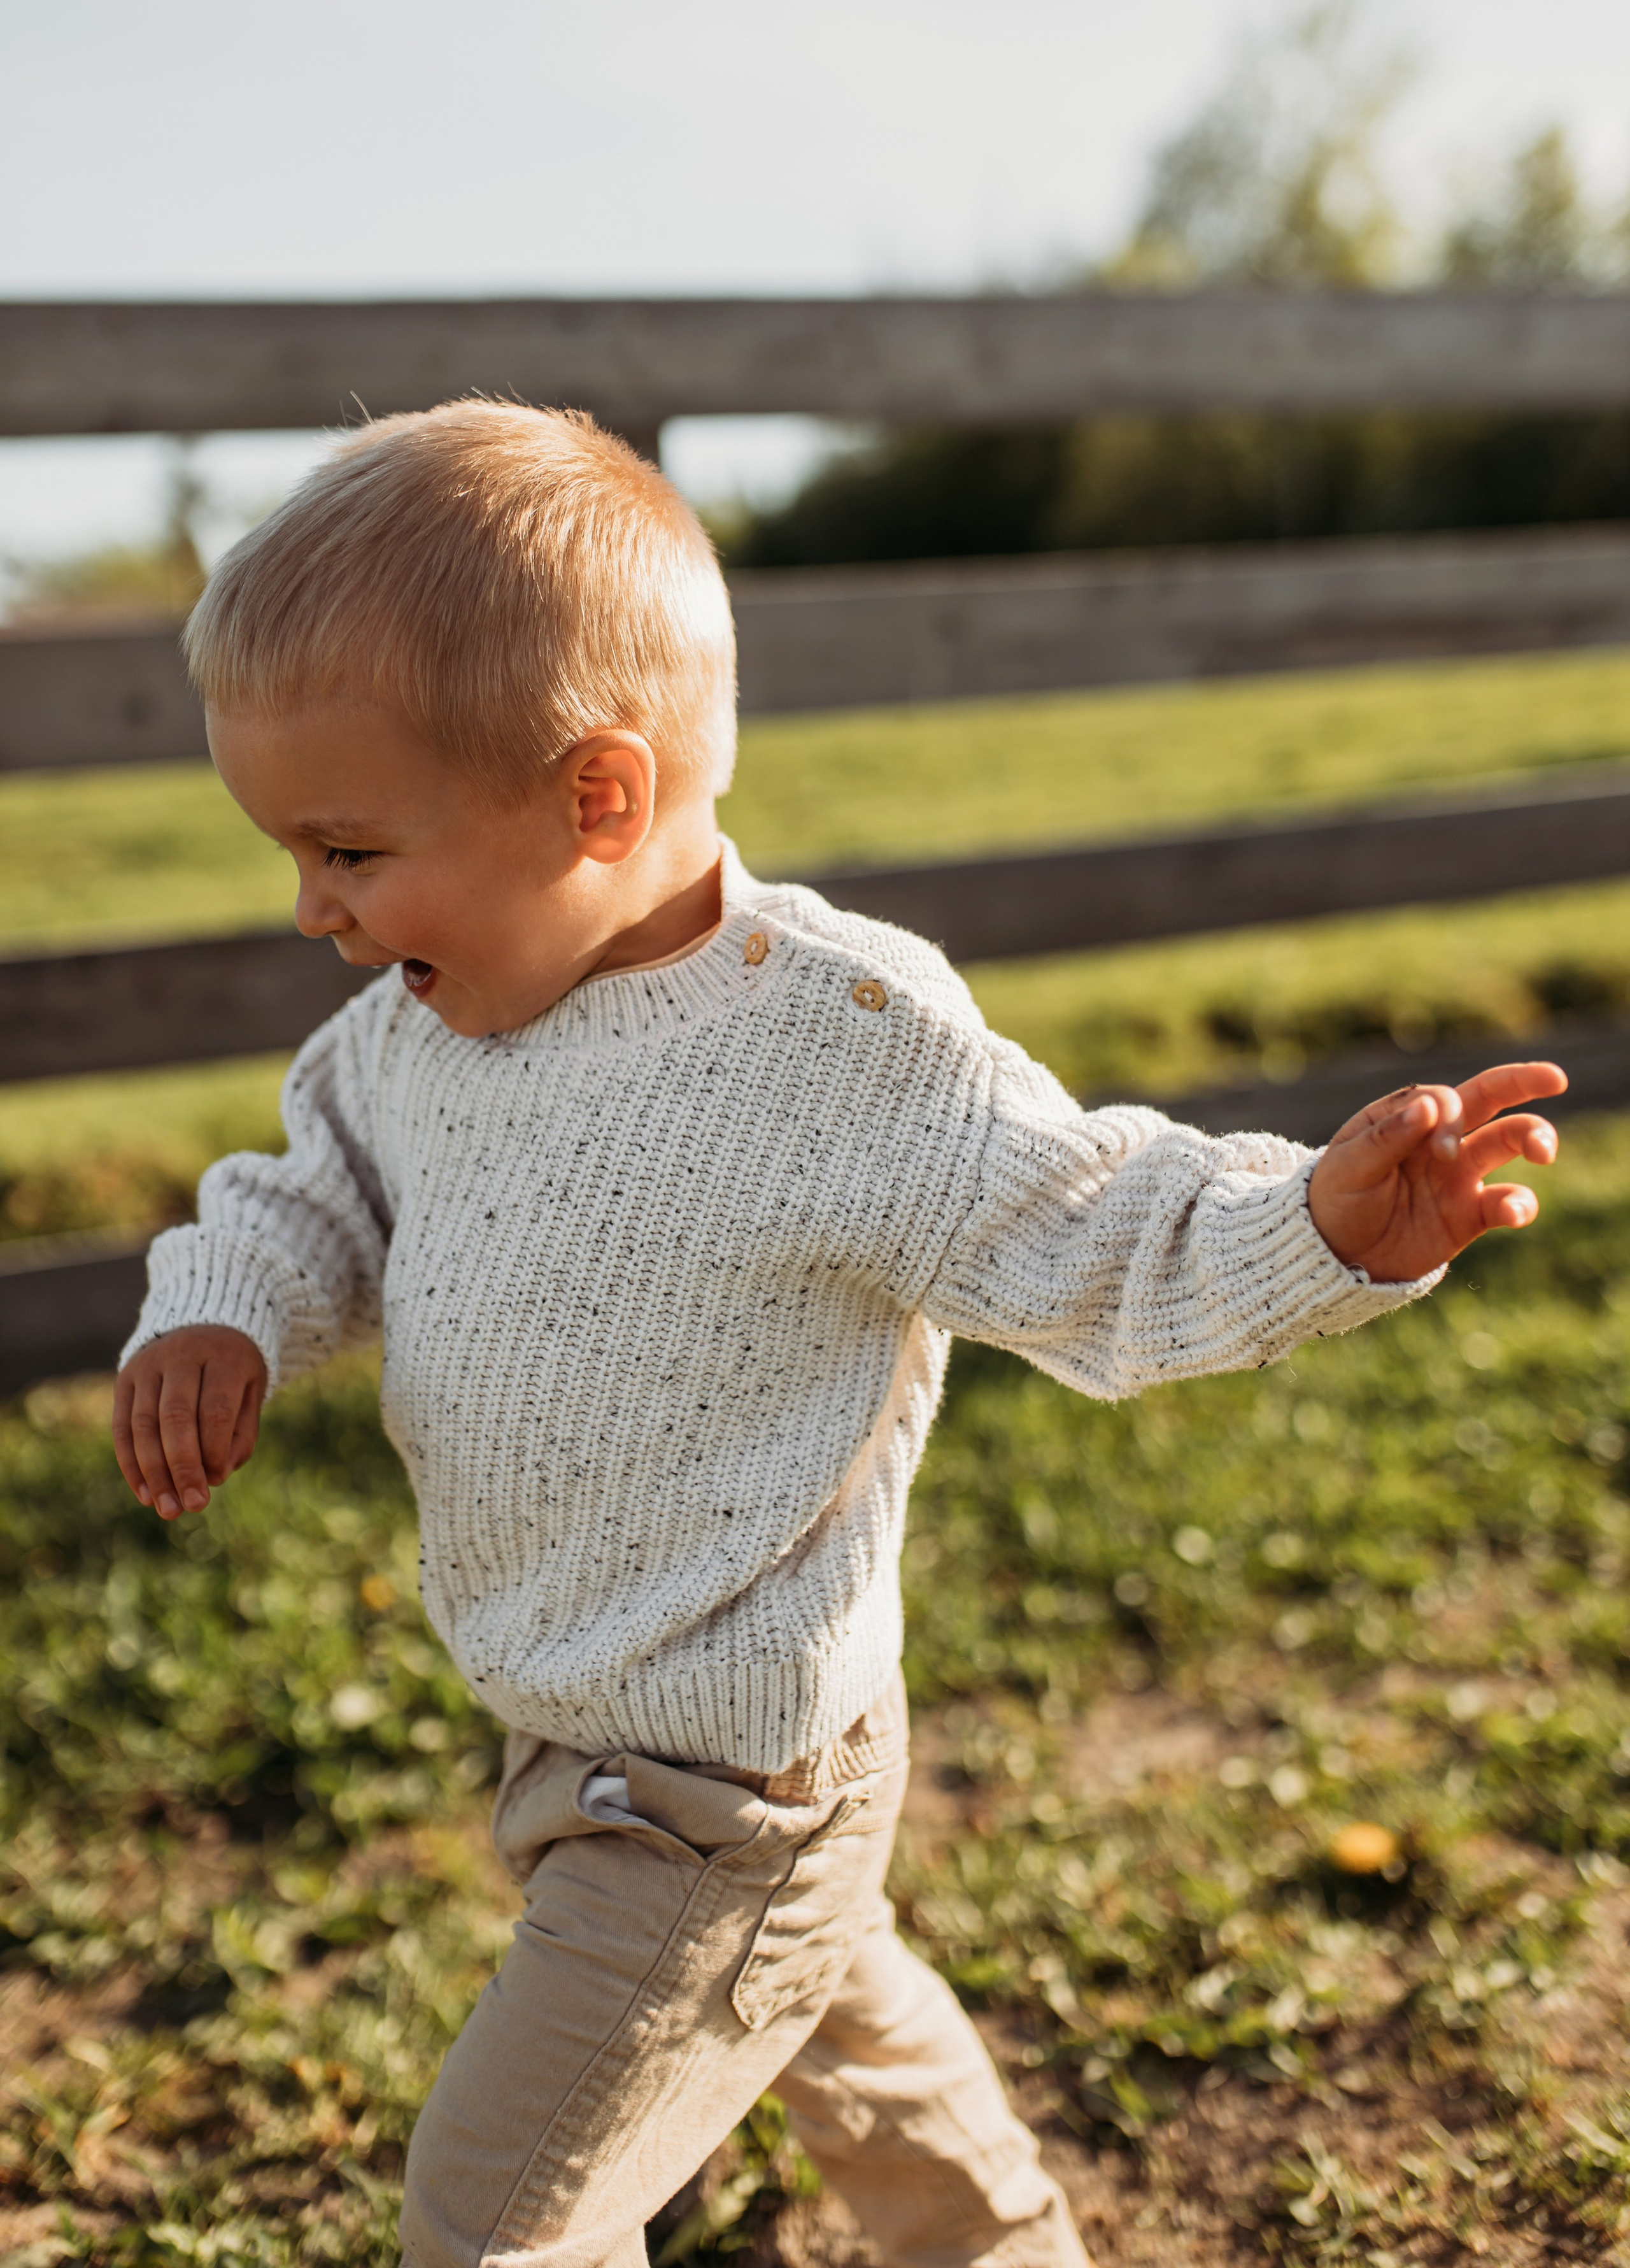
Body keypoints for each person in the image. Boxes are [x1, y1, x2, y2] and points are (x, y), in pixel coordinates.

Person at [113, 401, 1564, 2268]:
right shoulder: (415, 1027)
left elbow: (1096, 1216)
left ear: (599, 799)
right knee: (842, 2031)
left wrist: (1317, 1224)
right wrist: (224, 1304)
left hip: (724, 1788)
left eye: (348, 850)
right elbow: (310, 1182)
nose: (311, 912)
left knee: (498, 2217)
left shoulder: (839, 1047)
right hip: (586, 1734)